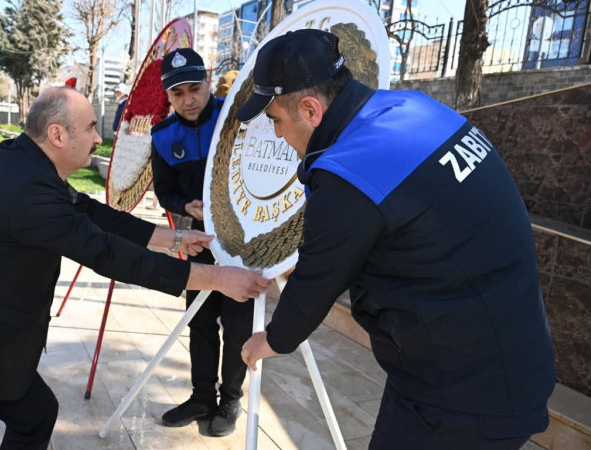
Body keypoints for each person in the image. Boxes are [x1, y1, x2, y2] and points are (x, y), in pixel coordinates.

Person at [0, 86, 269, 450]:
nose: (97, 138)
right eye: (89, 128)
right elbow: (106, 253)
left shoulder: (29, 166)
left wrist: (172, 239)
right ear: (57, 134)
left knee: (36, 416)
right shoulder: (26, 193)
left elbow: (90, 213)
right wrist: (217, 278)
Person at [238, 30, 555, 450]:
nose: (277, 135)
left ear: (311, 109)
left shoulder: (350, 169)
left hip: (459, 398)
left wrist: (271, 340)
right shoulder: (413, 108)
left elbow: (315, 283)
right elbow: (415, 222)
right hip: (509, 358)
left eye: (276, 119)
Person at [150, 48, 253, 438]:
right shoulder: (162, 137)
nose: (189, 99)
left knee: (238, 325)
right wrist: (184, 205)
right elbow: (165, 191)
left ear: (209, 83)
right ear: (169, 97)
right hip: (201, 242)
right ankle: (201, 398)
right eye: (178, 93)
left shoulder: (238, 119)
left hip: (245, 244)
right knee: (200, 322)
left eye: (195, 88)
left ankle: (230, 400)